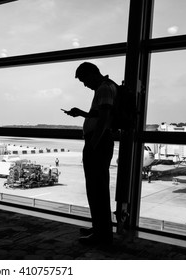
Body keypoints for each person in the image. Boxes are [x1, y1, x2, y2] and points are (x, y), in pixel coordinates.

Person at [64, 62, 117, 246]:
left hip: (98, 143)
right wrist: (82, 114)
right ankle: (99, 228)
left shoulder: (103, 89)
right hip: (100, 142)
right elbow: (100, 116)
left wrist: (93, 145)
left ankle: (102, 235)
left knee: (97, 190)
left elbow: (103, 121)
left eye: (84, 79)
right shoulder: (107, 87)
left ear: (92, 73)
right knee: (97, 188)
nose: (85, 84)